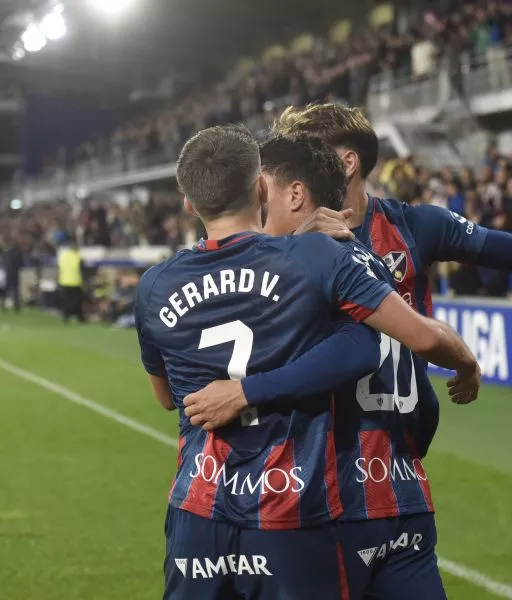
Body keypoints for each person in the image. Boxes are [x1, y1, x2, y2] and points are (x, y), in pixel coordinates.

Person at [184, 103, 512, 599]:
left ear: (346, 162)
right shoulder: (280, 241)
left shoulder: (412, 226)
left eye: (307, 149)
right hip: (310, 471)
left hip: (392, 463)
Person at [135, 126, 479, 600]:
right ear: (260, 187)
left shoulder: (155, 284)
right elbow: (363, 349)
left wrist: (236, 390)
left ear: (188, 203)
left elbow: (166, 398)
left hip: (198, 506)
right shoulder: (312, 256)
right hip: (288, 503)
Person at [57, 238, 84, 323]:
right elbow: (82, 267)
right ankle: (79, 317)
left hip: (64, 281)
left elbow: (59, 267)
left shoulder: (63, 256)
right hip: (75, 281)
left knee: (66, 301)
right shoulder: (77, 256)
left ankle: (66, 317)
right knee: (77, 301)